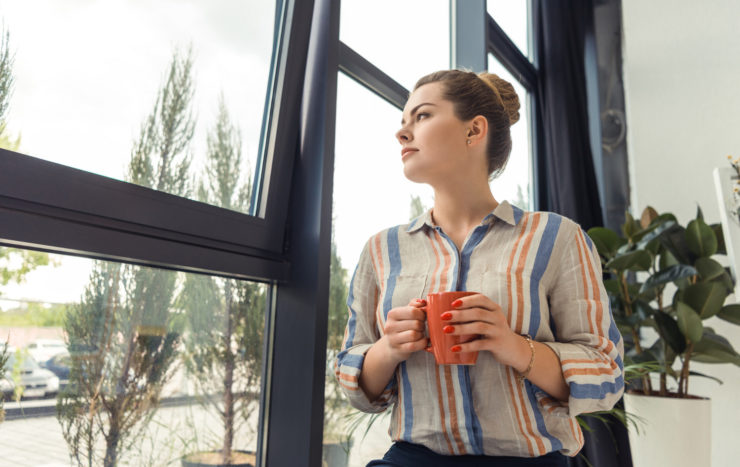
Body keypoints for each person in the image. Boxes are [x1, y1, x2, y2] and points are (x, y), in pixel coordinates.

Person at [334, 70, 624, 467]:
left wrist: (512, 346)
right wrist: (389, 347)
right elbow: (356, 384)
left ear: (474, 130)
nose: (402, 134)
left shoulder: (556, 237)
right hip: (413, 459)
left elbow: (605, 373)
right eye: (403, 122)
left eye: (421, 116)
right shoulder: (381, 250)